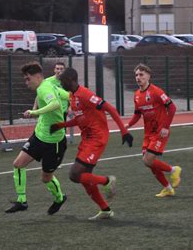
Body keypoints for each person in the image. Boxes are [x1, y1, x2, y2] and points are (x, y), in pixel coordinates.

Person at [50, 67, 133, 220]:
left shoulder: (85, 94)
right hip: (87, 139)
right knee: (85, 178)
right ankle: (105, 209)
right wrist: (60, 125)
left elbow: (110, 108)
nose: (61, 84)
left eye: (63, 81)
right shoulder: (72, 96)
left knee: (75, 175)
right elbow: (80, 119)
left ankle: (107, 181)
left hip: (97, 138)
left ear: (72, 80)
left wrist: (124, 131)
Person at [6, 61, 68, 215]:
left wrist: (35, 112)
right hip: (39, 136)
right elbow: (63, 95)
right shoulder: (45, 85)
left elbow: (54, 104)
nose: (26, 82)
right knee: (18, 164)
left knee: (46, 178)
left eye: (28, 79)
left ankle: (59, 198)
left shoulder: (44, 87)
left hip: (54, 143)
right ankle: (22, 201)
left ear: (38, 76)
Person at [125, 64, 181, 198]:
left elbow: (172, 108)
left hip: (160, 132)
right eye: (136, 75)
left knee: (147, 160)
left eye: (141, 75)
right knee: (150, 164)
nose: (138, 77)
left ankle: (174, 170)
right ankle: (168, 188)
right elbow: (137, 114)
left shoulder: (156, 91)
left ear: (148, 76)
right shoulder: (137, 95)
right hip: (148, 133)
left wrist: (166, 127)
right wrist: (128, 125)